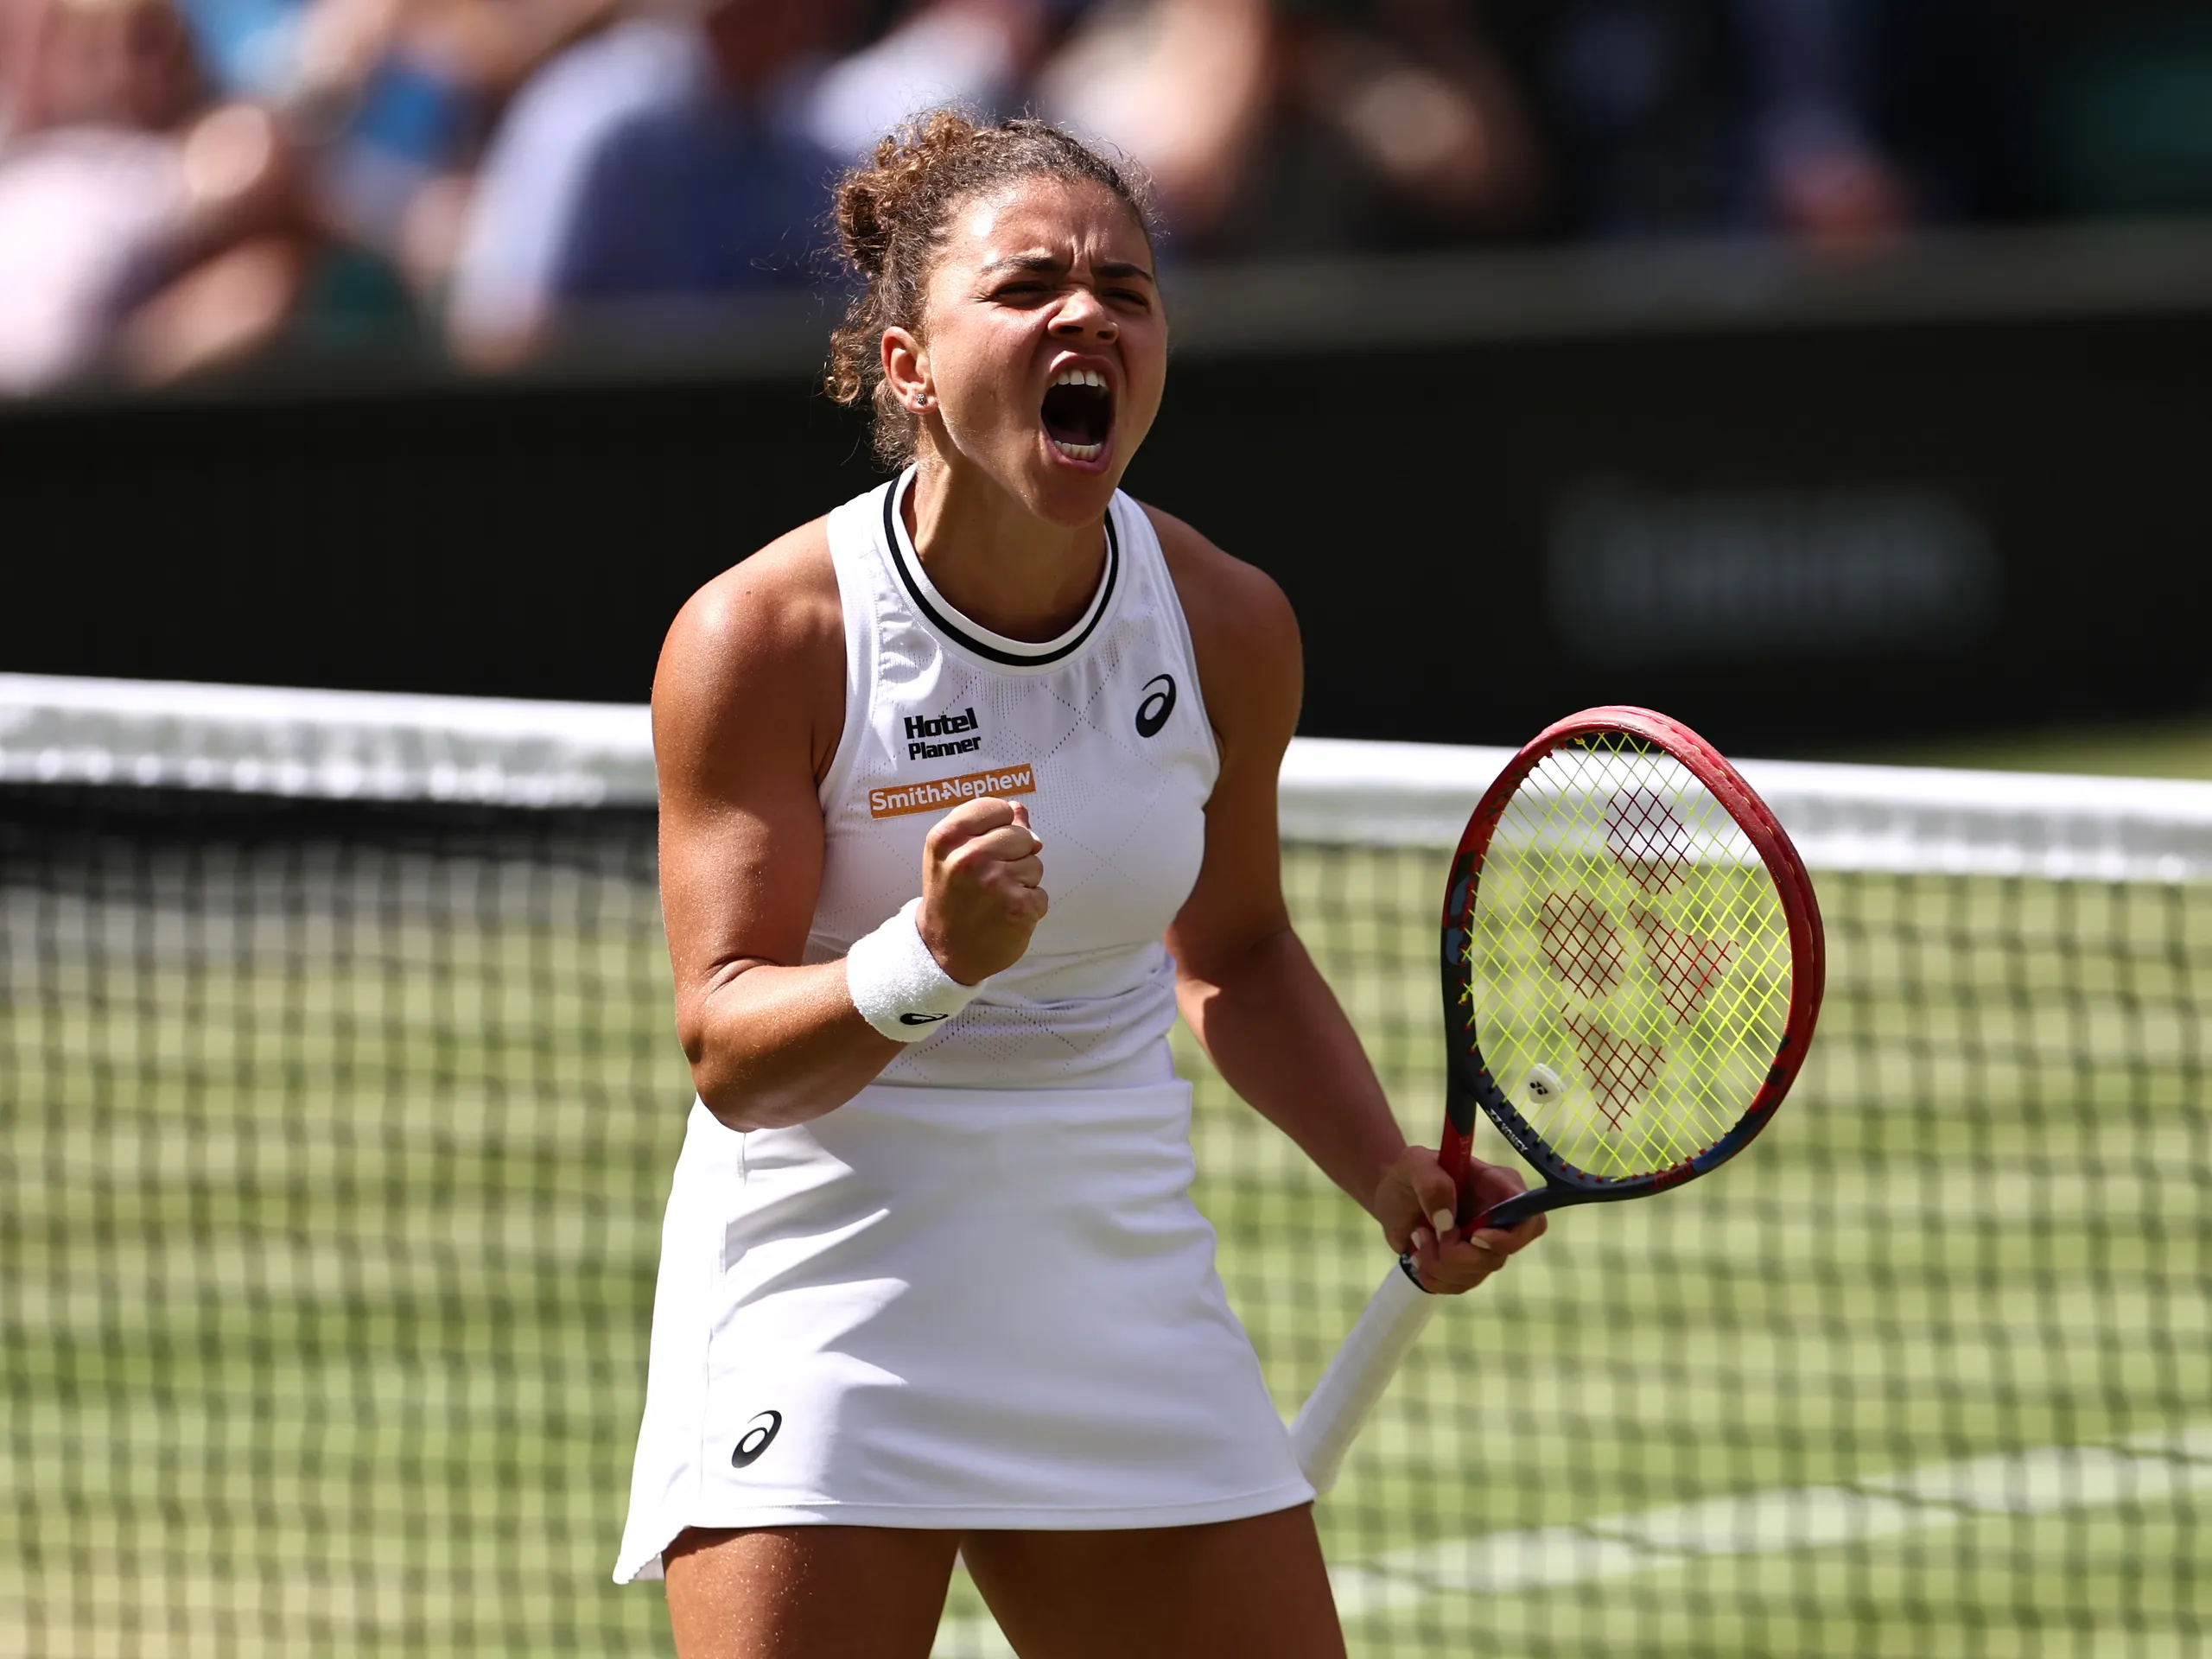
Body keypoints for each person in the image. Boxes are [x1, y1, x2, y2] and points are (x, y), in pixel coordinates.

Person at [613, 109, 1546, 1657]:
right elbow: (725, 1051)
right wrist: (927, 957)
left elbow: (1234, 947)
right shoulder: (765, 639)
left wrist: (1384, 1166)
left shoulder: (1228, 624)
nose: (1087, 315)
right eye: (1029, 283)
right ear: (910, 365)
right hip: (829, 1287)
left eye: (1126, 288)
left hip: (1118, 1285)